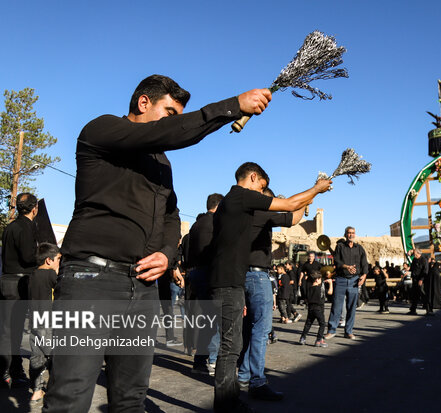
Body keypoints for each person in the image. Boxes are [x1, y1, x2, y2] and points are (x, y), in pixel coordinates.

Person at [44, 74, 273, 413]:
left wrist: (167, 254)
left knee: (131, 398)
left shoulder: (161, 164)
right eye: (170, 113)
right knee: (70, 396)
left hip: (143, 287)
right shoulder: (102, 130)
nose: (175, 123)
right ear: (143, 103)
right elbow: (165, 133)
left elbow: (171, 216)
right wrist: (231, 107)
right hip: (91, 283)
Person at [204, 162, 331, 413]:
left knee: (232, 346)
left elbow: (291, 212)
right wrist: (317, 189)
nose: (262, 194)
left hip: (231, 279)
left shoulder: (233, 203)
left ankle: (230, 400)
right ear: (253, 178)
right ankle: (227, 404)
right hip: (229, 280)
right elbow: (291, 206)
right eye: (261, 188)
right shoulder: (242, 197)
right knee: (230, 348)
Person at [237, 187, 304, 401]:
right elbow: (293, 217)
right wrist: (307, 202)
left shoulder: (244, 213)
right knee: (261, 330)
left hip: (243, 275)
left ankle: (244, 376)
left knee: (248, 329)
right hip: (257, 276)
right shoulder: (262, 210)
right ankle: (257, 381)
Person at [0, 192, 38, 388]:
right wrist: (44, 257)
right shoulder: (26, 227)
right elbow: (28, 257)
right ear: (34, 209)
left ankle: (12, 370)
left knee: (8, 330)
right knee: (12, 331)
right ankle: (8, 372)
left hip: (6, 281)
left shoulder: (10, 227)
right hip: (18, 284)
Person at [188, 193, 223, 374]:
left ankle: (201, 361)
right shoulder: (215, 223)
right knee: (215, 320)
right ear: (219, 206)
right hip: (209, 275)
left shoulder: (196, 224)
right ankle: (210, 359)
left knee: (208, 320)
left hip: (196, 274)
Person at [28, 242, 61, 403]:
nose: (59, 263)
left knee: (36, 357)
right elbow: (61, 289)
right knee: (53, 356)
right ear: (49, 260)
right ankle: (55, 390)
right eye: (58, 259)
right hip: (49, 321)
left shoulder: (33, 275)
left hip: (35, 321)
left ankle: (36, 390)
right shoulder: (50, 275)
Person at [325, 226, 368, 340]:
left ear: (355, 234)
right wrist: (347, 267)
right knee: (336, 306)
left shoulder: (359, 248)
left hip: (354, 280)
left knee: (351, 307)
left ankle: (348, 331)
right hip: (341, 279)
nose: (351, 235)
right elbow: (337, 261)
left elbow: (364, 264)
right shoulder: (340, 247)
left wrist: (363, 276)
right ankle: (331, 330)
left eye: (353, 233)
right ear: (345, 234)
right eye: (349, 233)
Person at [299, 271, 333, 347]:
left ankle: (303, 338)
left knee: (308, 324)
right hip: (318, 308)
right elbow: (330, 292)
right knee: (322, 324)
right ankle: (319, 340)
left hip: (310, 308)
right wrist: (330, 283)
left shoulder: (309, 288)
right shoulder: (320, 289)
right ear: (317, 279)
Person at [409, 249, 429, 315]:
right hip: (415, 279)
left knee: (423, 294)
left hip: (420, 280)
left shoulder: (424, 260)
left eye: (415, 254)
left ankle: (428, 310)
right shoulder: (414, 260)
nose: (414, 255)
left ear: (418, 253)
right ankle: (413, 310)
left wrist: (421, 279)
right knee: (414, 295)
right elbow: (412, 268)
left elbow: (425, 271)